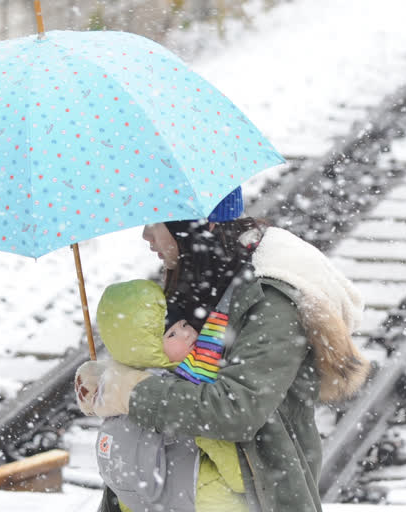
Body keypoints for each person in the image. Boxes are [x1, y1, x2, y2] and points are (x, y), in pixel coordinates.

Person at [75, 186, 371, 512]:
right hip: (168, 488)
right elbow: (171, 370)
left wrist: (129, 393)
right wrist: (112, 375)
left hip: (248, 496)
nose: (146, 235)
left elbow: (236, 410)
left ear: (198, 224)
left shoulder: (270, 300)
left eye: (156, 221)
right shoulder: (200, 277)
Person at [77, 278, 249, 512]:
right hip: (196, 495)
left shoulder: (119, 390)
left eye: (185, 324)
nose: (188, 334)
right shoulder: (175, 389)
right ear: (148, 347)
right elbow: (211, 436)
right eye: (172, 334)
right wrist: (245, 473)